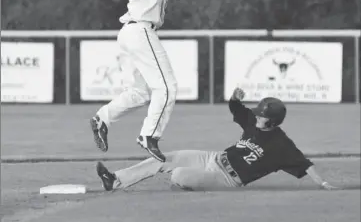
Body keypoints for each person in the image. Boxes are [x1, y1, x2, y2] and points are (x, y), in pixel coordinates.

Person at [89, 0, 220, 162]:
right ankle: (149, 136)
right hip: (140, 30)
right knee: (167, 87)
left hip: (132, 33)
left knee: (139, 93)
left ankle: (101, 118)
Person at [95, 87, 338, 191]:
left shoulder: (281, 145)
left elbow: (305, 164)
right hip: (212, 158)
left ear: (272, 122)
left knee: (178, 174)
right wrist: (234, 97)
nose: (256, 118)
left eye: (262, 116)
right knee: (164, 158)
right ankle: (115, 180)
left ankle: (188, 184)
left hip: (226, 179)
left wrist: (324, 184)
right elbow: (236, 108)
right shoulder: (253, 123)